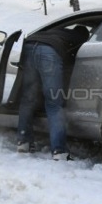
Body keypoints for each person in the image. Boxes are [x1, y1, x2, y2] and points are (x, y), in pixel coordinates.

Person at [16, 25, 90, 161]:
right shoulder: (80, 38)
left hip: (29, 46)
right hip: (49, 51)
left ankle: (23, 141)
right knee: (54, 102)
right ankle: (59, 150)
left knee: (28, 98)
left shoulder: (60, 32)